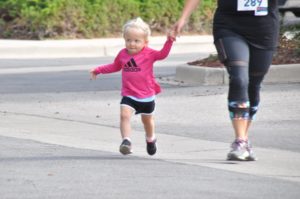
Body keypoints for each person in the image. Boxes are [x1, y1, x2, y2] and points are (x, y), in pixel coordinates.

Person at [173, 0, 279, 161]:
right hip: (229, 26)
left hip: (264, 29)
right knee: (239, 78)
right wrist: (183, 17)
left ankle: (244, 139)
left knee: (253, 84)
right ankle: (240, 141)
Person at [90, 17, 175, 156]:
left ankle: (150, 138)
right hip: (129, 94)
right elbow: (114, 66)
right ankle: (126, 142)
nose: (132, 44)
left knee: (147, 121)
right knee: (124, 115)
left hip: (146, 96)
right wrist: (98, 70)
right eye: (128, 40)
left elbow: (162, 54)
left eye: (136, 41)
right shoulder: (123, 54)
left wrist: (169, 41)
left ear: (145, 42)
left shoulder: (149, 53)